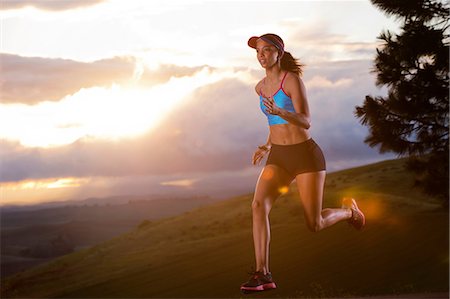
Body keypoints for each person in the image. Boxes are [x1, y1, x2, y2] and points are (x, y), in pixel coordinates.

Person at [240, 33, 366, 293]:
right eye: (258, 51)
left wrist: (280, 111)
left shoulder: (292, 81)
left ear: (280, 54)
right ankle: (262, 273)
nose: (261, 55)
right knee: (258, 205)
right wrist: (266, 145)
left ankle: (349, 212)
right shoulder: (260, 87)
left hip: (305, 155)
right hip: (279, 156)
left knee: (314, 224)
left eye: (266, 50)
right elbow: (274, 122)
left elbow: (305, 120)